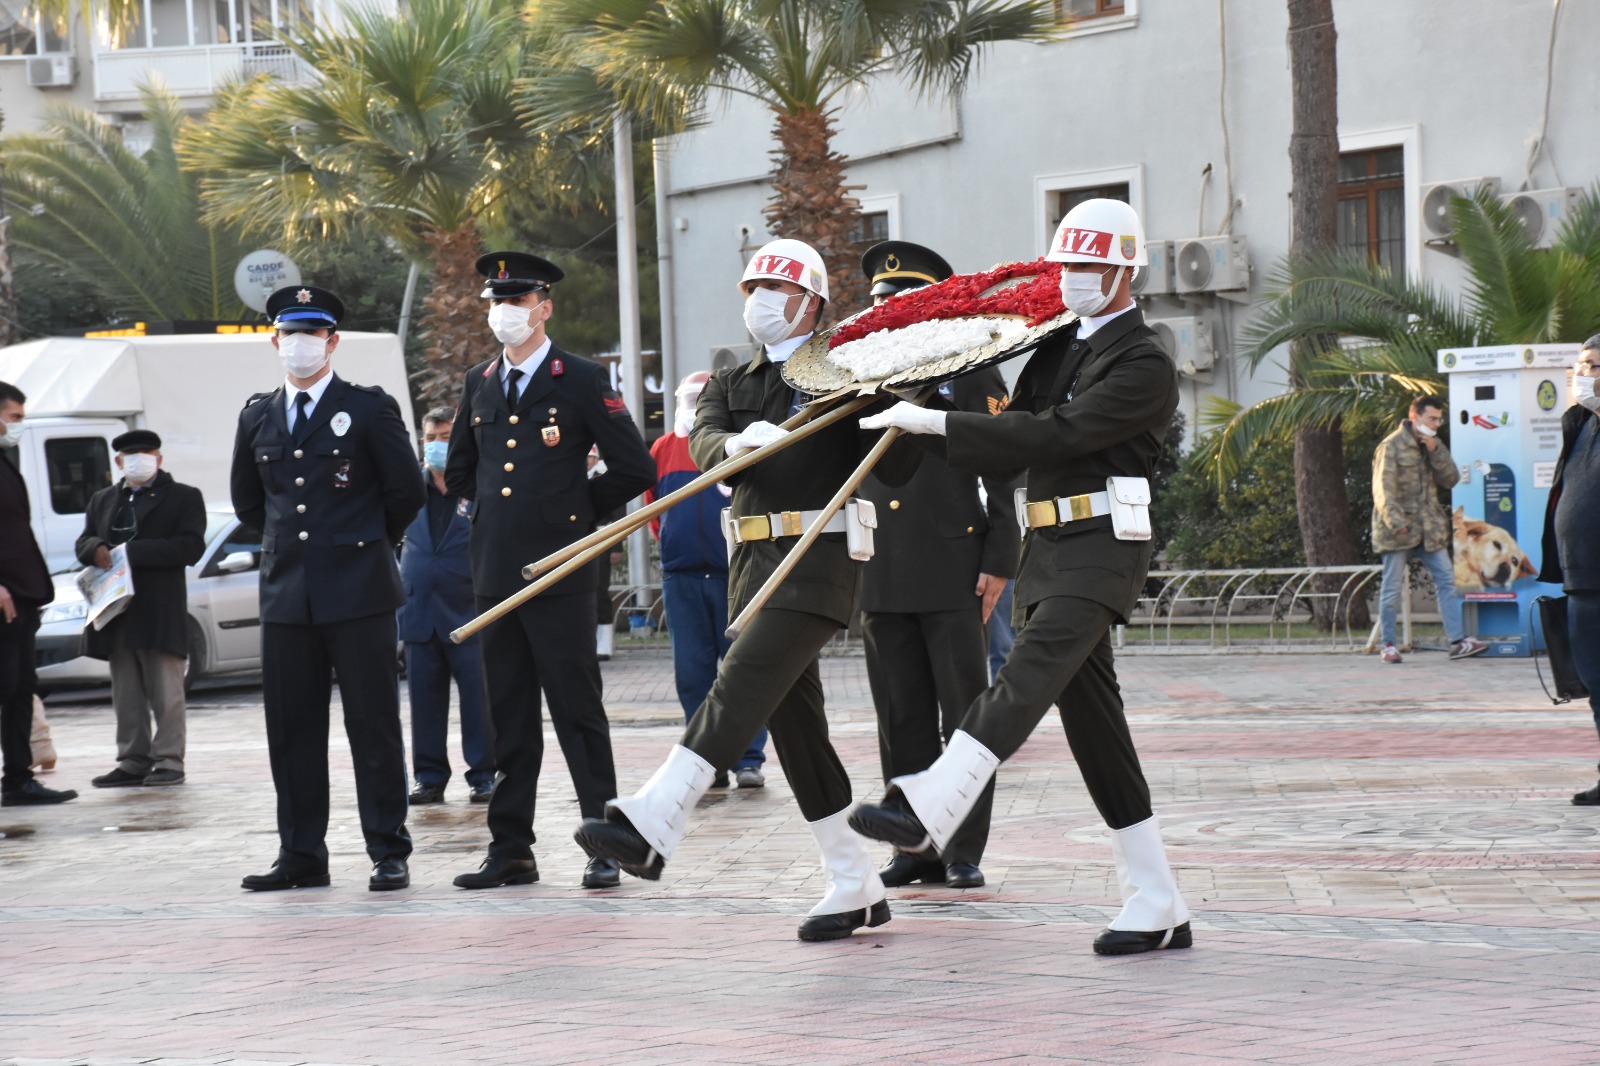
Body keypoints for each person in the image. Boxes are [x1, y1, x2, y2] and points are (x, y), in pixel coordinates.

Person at [849, 199, 1194, 955]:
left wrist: (940, 424)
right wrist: (921, 405)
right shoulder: (1059, 347)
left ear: (1126, 271)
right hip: (1049, 546)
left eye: (1091, 268)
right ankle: (1158, 896)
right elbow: (1007, 449)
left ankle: (933, 802)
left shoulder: (1144, 359)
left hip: (1104, 542)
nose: (1075, 280)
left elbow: (1060, 433)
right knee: (1095, 727)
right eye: (1068, 265)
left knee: (1026, 675)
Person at [575, 238, 917, 942]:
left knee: (738, 681)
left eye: (776, 288)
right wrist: (734, 446)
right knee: (797, 727)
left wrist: (899, 392)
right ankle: (855, 881)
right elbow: (703, 435)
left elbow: (901, 463)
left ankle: (657, 816)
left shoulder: (845, 369)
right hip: (754, 561)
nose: (760, 301)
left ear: (812, 301)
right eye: (752, 287)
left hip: (820, 555)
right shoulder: (735, 380)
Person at [444, 251, 655, 891]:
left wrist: (572, 518)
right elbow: (460, 469)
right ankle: (511, 848)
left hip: (560, 572)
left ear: (545, 307)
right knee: (506, 714)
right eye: (496, 302)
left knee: (576, 712)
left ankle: (603, 839)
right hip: (495, 575)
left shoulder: (582, 379)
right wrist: (487, 518)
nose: (505, 312)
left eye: (517, 300)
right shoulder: (479, 381)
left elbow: (635, 469)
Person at [230, 285, 425, 892]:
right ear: (274, 341)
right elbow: (248, 502)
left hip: (359, 589)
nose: (300, 346)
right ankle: (301, 854)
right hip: (287, 593)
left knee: (372, 726)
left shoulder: (367, 408)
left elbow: (406, 493)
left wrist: (363, 542)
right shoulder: (257, 414)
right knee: (291, 730)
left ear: (333, 342)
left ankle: (388, 850)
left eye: (312, 335)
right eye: (290, 335)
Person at [855, 241, 1018, 890]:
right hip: (882, 564)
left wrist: (1002, 557)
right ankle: (912, 845)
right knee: (901, 715)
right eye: (880, 301)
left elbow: (1005, 466)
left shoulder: (972, 366)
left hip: (955, 562)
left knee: (963, 713)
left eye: (902, 299)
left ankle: (963, 848)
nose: (889, 308)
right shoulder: (858, 372)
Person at [646, 371, 767, 790]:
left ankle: (749, 757)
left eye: (703, 398)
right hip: (682, 579)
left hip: (733, 575)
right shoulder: (662, 449)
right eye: (689, 397)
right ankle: (705, 761)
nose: (695, 405)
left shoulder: (733, 443)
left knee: (740, 670)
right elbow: (654, 513)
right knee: (692, 673)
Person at [76, 429, 206, 788]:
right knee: (127, 694)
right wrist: (96, 548)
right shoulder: (104, 499)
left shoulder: (183, 497)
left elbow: (190, 547)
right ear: (118, 462)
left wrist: (131, 553)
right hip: (116, 611)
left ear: (159, 458)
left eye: (146, 453)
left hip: (159, 609)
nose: (139, 460)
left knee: (167, 691)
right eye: (130, 455)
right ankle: (133, 760)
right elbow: (84, 540)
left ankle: (169, 761)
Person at [400, 407, 496, 806]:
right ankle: (429, 777)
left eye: (445, 436)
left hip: (469, 613)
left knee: (478, 701)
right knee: (424, 703)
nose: (437, 444)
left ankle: (484, 775)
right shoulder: (406, 489)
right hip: (419, 615)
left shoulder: (478, 487)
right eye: (430, 438)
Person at [0, 382, 77, 807]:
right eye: (14, 418)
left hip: (22, 597)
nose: (18, 428)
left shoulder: (5, 462)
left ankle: (18, 778)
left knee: (19, 690)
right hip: (6, 598)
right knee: (8, 687)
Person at [1372, 394, 1488, 664]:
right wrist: (1396, 522)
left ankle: (1458, 642)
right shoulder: (1391, 446)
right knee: (1391, 589)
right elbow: (1382, 490)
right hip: (1399, 530)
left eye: (1439, 419)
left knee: (1446, 581)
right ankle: (1388, 645)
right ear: (1415, 417)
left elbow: (1450, 479)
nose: (1436, 424)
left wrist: (1436, 452)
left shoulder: (1434, 444)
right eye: (1431, 418)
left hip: (1430, 530)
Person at [1541, 337, 1600, 805]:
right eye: (1583, 365)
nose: (1587, 375)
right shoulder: (1578, 422)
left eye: (1596, 366)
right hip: (1581, 579)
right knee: (1596, 685)